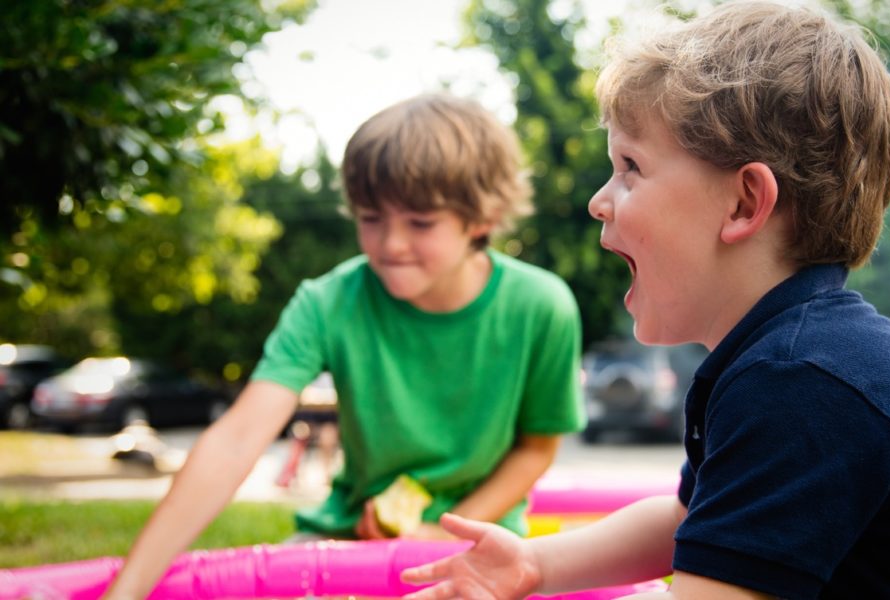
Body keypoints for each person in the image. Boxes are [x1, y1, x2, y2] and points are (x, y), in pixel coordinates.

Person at [399, 2, 890, 598]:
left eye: (630, 166)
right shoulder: (789, 356)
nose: (598, 200)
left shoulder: (803, 381)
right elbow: (686, 520)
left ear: (744, 203)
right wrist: (533, 564)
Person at [101, 92, 586, 599]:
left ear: (482, 218)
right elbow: (237, 439)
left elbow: (535, 449)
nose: (390, 244)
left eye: (420, 222)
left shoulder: (541, 306)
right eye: (371, 218)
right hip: (347, 537)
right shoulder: (327, 302)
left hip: (483, 545)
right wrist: (125, 593)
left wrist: (444, 531)